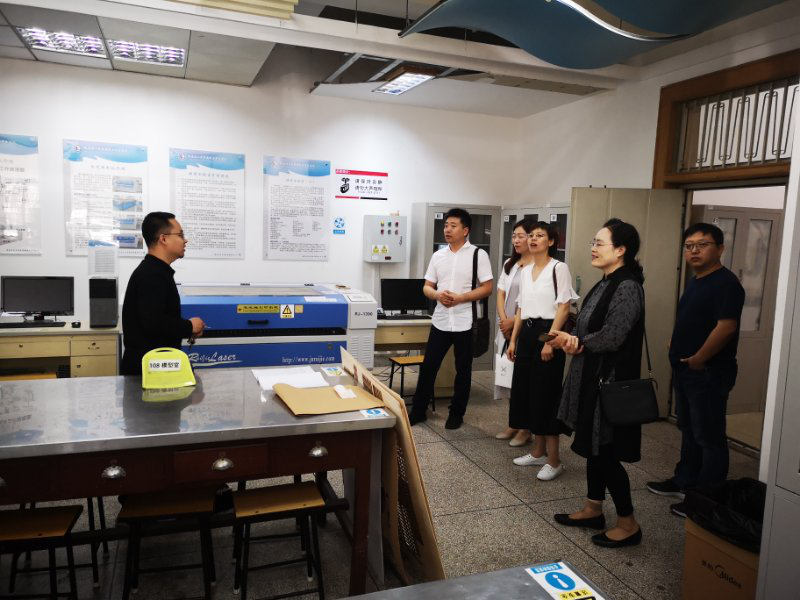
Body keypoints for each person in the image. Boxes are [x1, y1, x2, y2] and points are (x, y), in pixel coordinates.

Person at [548, 218, 645, 548]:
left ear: (620, 250)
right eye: (593, 241)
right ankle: (593, 508)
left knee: (604, 451)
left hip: (609, 381)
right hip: (592, 375)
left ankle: (628, 522)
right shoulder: (606, 282)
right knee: (593, 445)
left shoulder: (627, 286)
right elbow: (590, 327)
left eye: (599, 243)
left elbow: (613, 336)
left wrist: (578, 342)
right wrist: (571, 338)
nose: (593, 247)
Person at [646, 223, 745, 518]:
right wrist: (675, 341)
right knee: (689, 429)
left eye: (702, 245)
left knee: (709, 436)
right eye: (689, 246)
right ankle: (685, 481)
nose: (694, 251)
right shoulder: (696, 281)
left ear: (720, 248)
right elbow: (694, 319)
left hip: (709, 372)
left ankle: (707, 500)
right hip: (686, 369)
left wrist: (700, 358)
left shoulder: (726, 284)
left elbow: (726, 327)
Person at [409, 208, 493, 430]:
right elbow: (427, 286)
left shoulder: (478, 255)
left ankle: (456, 413)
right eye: (446, 225)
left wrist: (461, 298)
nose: (447, 229)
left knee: (463, 370)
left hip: (466, 322)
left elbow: (487, 288)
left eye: (453, 226)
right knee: (429, 366)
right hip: (441, 320)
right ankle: (418, 411)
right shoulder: (438, 256)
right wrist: (437, 295)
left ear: (465, 230)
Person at [507, 221, 576, 480]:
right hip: (526, 333)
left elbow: (564, 307)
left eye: (540, 235)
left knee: (546, 395)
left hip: (548, 333)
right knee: (527, 393)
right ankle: (537, 452)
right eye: (531, 235)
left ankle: (554, 460)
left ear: (551, 241)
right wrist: (513, 341)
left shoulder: (559, 268)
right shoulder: (525, 271)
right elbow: (520, 309)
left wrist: (549, 340)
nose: (533, 239)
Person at [120, 212, 206, 375]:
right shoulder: (152, 275)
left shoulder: (156, 271)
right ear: (163, 239)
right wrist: (189, 326)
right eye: (180, 235)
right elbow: (153, 323)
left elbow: (156, 317)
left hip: (156, 368)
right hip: (147, 374)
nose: (185, 240)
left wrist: (187, 328)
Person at [495, 218, 536, 447]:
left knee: (524, 380)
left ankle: (525, 428)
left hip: (524, 327)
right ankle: (514, 422)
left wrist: (513, 322)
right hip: (506, 328)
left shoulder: (537, 266)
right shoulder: (510, 264)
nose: (516, 240)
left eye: (521, 236)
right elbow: (500, 293)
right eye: (514, 236)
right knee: (508, 377)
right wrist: (504, 320)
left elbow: (531, 301)